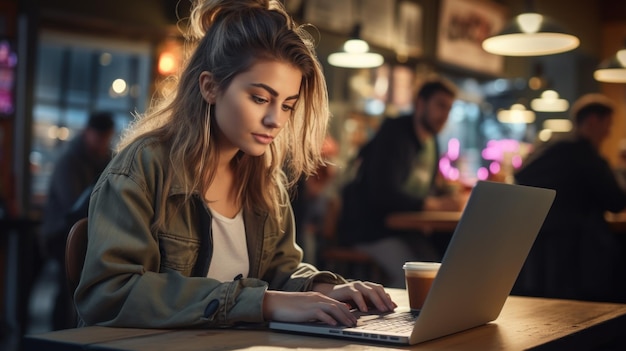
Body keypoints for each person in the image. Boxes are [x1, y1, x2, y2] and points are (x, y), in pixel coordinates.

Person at [74, 0, 395, 329]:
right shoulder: (144, 167)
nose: (275, 120)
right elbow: (109, 294)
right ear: (210, 87)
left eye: (287, 105)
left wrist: (324, 289)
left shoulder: (264, 179)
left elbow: (279, 270)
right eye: (259, 98)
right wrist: (264, 301)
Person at [336, 77, 465, 288]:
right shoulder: (394, 135)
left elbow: (427, 188)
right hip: (370, 229)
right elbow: (383, 193)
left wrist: (446, 197)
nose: (445, 115)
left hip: (403, 230)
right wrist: (432, 205)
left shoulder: (431, 142)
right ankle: (403, 320)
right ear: (420, 104)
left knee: (441, 267)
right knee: (416, 278)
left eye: (449, 108)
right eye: (440, 105)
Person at [513, 93, 626, 302]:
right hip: (577, 253)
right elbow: (616, 201)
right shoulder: (586, 154)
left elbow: (520, 176)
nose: (609, 133)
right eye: (607, 125)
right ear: (592, 121)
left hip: (537, 247)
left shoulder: (552, 146)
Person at [40, 110, 115, 330]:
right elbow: (71, 205)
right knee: (66, 290)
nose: (103, 142)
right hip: (60, 233)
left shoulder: (106, 159)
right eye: (99, 136)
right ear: (87, 132)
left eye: (106, 137)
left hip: (87, 231)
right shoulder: (69, 160)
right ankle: (60, 334)